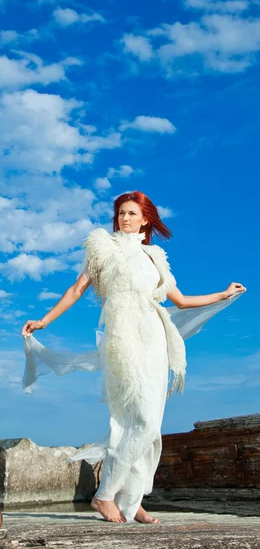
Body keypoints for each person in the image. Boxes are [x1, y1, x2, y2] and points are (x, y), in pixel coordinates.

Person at [21, 191, 246, 525]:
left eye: (131, 213)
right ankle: (105, 495)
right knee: (137, 419)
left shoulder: (155, 257)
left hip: (155, 337)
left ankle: (132, 500)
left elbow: (181, 301)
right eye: (120, 213)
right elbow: (75, 290)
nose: (124, 218)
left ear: (145, 219)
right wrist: (44, 320)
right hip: (123, 338)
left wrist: (223, 293)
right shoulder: (102, 248)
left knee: (151, 424)